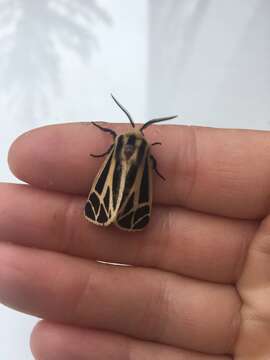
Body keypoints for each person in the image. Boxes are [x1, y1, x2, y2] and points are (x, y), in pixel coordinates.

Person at [0, 122, 269, 359]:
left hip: (104, 194)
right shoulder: (145, 151)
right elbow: (151, 167)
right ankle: (124, 213)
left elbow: (110, 151)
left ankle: (105, 210)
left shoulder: (118, 145)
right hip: (136, 199)